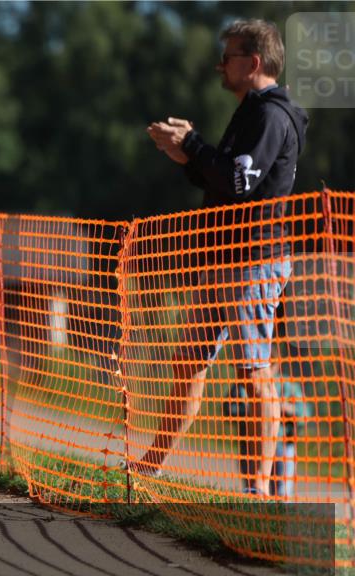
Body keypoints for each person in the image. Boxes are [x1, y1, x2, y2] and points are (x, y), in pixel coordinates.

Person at [130, 19, 308, 495]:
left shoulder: (272, 116)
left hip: (254, 260)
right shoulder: (250, 111)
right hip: (221, 256)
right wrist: (188, 157)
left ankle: (259, 490)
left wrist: (192, 145)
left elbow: (237, 180)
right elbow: (222, 179)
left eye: (227, 57)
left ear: (252, 63)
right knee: (189, 362)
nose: (219, 65)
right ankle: (149, 468)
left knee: (254, 374)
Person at [225, 355, 309, 498]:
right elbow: (228, 409)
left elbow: (303, 414)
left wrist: (285, 408)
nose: (270, 367)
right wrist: (252, 411)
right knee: (253, 488)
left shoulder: (287, 386)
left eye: (272, 363)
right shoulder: (244, 383)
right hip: (249, 446)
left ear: (277, 364)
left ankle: (280, 519)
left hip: (281, 447)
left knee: (281, 493)